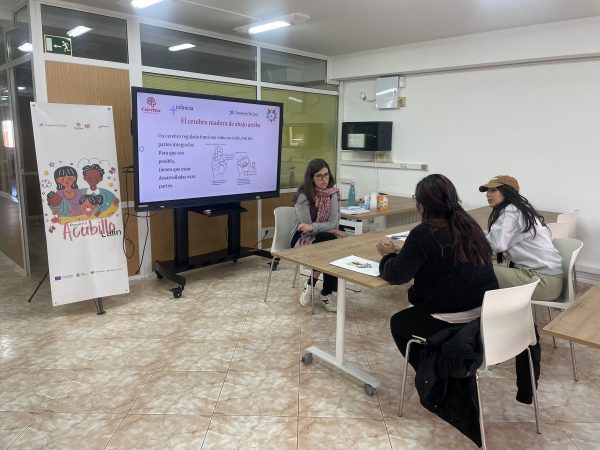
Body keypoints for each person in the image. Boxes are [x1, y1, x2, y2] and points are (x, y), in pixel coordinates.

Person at [376, 174, 498, 368]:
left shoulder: (424, 232)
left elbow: (397, 275)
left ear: (422, 205)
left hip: (451, 314)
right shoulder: (470, 225)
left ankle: (434, 373)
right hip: (483, 312)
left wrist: (388, 255)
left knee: (399, 323)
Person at [479, 175, 563, 301]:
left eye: (493, 190)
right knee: (482, 266)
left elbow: (495, 245)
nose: (487, 194)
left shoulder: (511, 212)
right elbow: (498, 236)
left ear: (508, 191)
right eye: (487, 191)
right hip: (548, 279)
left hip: (542, 282)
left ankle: (479, 310)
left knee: (475, 269)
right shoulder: (520, 209)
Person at [291, 159, 346, 312]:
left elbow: (332, 222)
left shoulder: (332, 193)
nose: (324, 179)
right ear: (311, 178)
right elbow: (306, 229)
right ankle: (326, 293)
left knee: (330, 243)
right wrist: (334, 230)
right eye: (319, 176)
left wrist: (324, 228)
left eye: (326, 175)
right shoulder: (302, 197)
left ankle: (311, 283)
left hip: (323, 238)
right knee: (331, 242)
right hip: (301, 238)